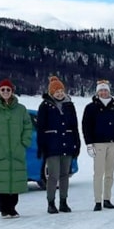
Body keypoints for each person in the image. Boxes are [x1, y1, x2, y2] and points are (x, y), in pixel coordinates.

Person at [0, 79, 32, 218]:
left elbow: (28, 126)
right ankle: (4, 208)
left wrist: (24, 142)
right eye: (3, 90)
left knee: (14, 179)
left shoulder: (21, 109)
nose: (5, 92)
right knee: (1, 179)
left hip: (16, 149)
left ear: (12, 92)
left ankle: (13, 207)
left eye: (8, 90)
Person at [37, 76, 81, 214]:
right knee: (53, 175)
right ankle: (51, 202)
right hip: (52, 146)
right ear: (51, 92)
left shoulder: (69, 105)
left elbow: (74, 127)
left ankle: (63, 201)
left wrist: (76, 144)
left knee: (64, 175)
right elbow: (40, 128)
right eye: (56, 91)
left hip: (67, 145)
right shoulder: (45, 106)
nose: (59, 93)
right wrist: (42, 146)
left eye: (61, 90)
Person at [82, 80, 114, 211]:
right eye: (101, 90)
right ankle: (97, 201)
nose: (103, 92)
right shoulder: (91, 107)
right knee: (98, 173)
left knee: (109, 173)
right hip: (98, 143)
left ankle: (107, 199)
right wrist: (89, 144)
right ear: (97, 92)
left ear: (109, 92)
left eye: (105, 90)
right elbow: (86, 126)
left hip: (113, 143)